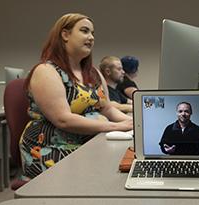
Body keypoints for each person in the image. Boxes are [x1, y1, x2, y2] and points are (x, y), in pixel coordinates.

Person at [20, 13, 133, 180]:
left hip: (89, 141)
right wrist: (115, 127)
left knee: (124, 165)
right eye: (85, 31)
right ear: (65, 35)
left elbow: (108, 108)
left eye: (93, 33)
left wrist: (131, 125)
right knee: (106, 177)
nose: (91, 37)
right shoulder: (46, 71)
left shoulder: (93, 73)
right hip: (52, 146)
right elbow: (63, 119)